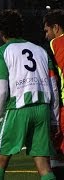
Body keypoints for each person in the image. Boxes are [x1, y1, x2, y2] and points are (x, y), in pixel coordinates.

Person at [0, 9, 59, 180]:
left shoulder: (0, 52)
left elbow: (2, 89)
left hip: (18, 108)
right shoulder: (41, 51)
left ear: (1, 32)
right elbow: (53, 86)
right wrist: (54, 118)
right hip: (42, 109)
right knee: (44, 166)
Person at [43, 8, 64, 179]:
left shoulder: (56, 44)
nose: (46, 36)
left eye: (47, 30)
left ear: (56, 27)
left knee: (55, 151)